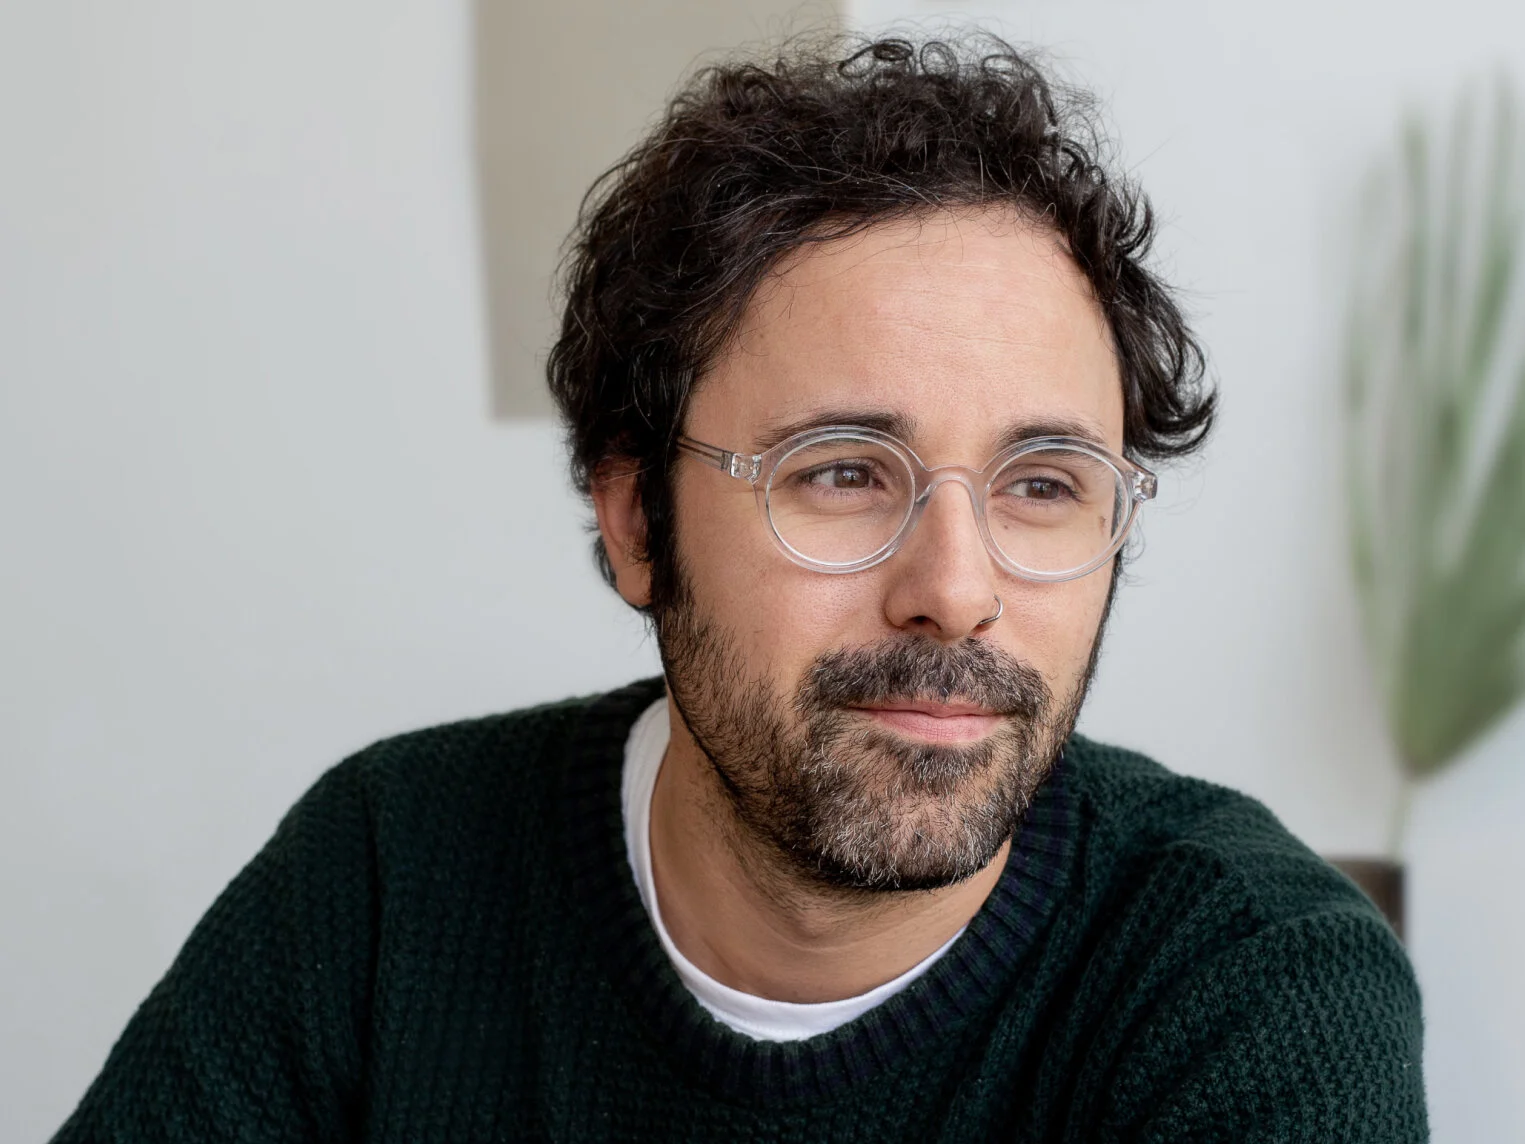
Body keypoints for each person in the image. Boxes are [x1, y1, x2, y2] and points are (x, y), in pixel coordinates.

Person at [53, 33, 1426, 1143]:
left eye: (1044, 484)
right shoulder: (389, 879)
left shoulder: (1250, 984)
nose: (956, 592)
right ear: (639, 519)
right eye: (842, 473)